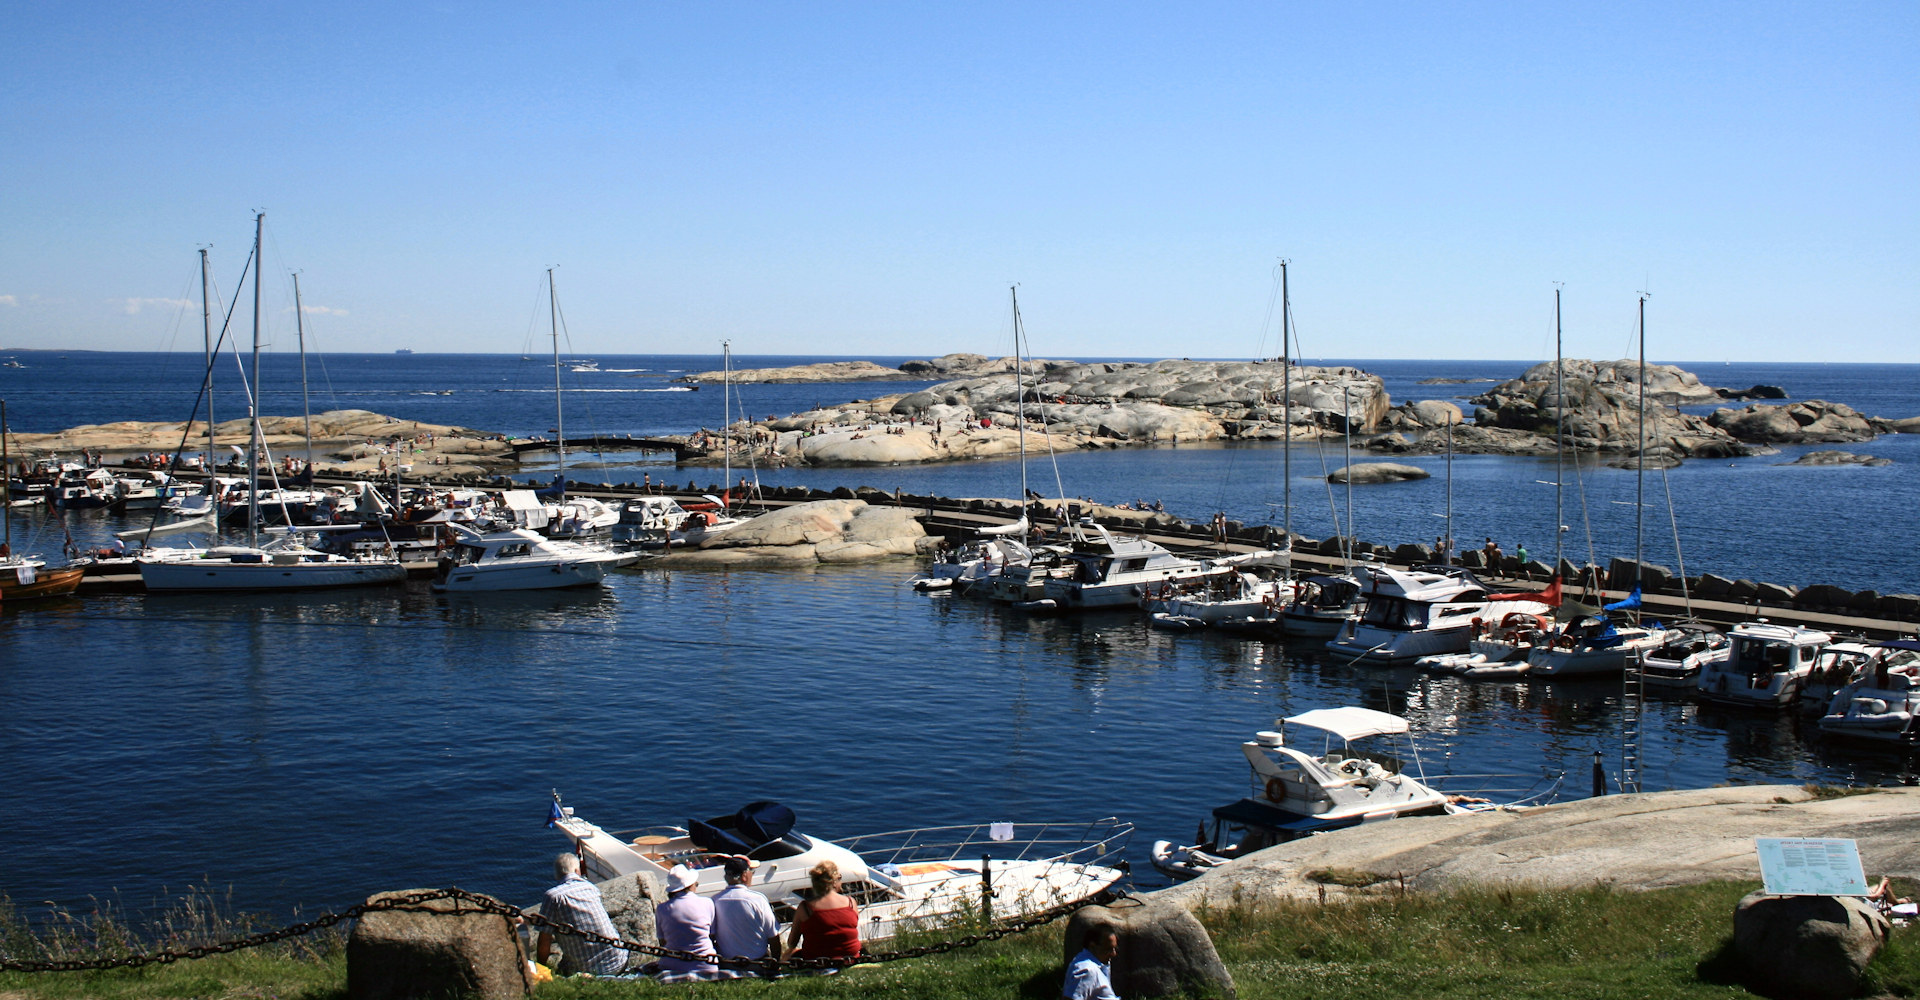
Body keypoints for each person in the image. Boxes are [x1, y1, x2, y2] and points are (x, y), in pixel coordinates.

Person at [537, 853, 630, 976]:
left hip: (590, 971)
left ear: (557, 874)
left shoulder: (553, 896)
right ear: (577, 870)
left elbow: (545, 938)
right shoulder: (591, 888)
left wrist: (541, 968)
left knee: (563, 968)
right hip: (619, 961)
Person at [785, 859, 860, 962]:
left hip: (815, 960)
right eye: (840, 878)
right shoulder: (851, 903)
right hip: (850, 958)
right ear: (834, 882)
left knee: (789, 953)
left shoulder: (806, 908)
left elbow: (792, 942)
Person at [712, 855, 780, 963]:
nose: (752, 874)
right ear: (744, 875)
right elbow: (773, 935)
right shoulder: (758, 899)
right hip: (757, 962)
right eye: (751, 871)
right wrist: (776, 964)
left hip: (727, 964)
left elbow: (711, 935)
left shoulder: (715, 900)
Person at [654, 864, 718, 976]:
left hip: (673, 965)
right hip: (706, 963)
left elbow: (663, 942)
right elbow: (711, 935)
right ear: (691, 885)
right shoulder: (707, 903)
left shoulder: (662, 909)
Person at [1062, 926, 1120, 1000]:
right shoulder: (1087, 970)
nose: (1113, 953)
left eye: (1115, 948)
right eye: (1108, 949)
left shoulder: (1093, 963)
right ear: (1092, 946)